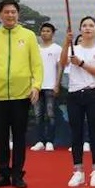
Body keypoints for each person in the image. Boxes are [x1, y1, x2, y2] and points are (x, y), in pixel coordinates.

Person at [0, 0, 43, 188]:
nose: (10, 15)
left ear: (18, 14)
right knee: (1, 138)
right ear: (0, 15)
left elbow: (36, 65)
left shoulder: (28, 36)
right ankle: (2, 174)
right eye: (6, 12)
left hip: (21, 95)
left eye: (13, 12)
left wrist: (36, 86)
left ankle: (17, 175)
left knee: (20, 136)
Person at [60, 16, 95, 188]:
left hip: (93, 94)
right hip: (74, 94)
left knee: (94, 132)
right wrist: (66, 43)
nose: (88, 28)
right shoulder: (74, 48)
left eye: (91, 26)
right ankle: (78, 171)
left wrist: (81, 63)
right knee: (76, 133)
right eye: (84, 26)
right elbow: (63, 62)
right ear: (80, 29)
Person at [31, 22, 62, 152]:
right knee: (38, 114)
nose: (45, 33)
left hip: (50, 85)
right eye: (43, 31)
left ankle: (50, 141)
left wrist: (57, 83)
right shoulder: (35, 49)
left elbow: (60, 67)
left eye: (48, 31)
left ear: (53, 33)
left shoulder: (57, 49)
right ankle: (40, 141)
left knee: (50, 114)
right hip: (37, 86)